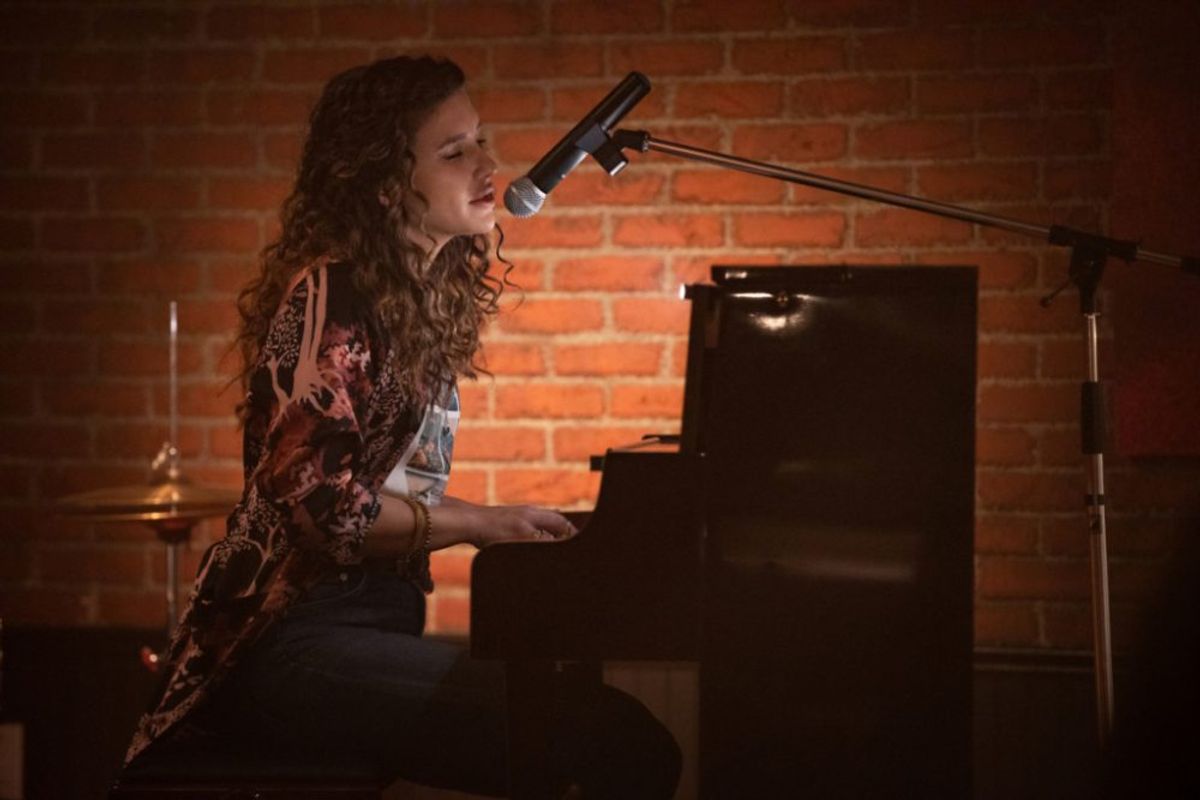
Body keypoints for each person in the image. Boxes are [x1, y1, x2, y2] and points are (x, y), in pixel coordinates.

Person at [121, 55, 681, 799]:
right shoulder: (333, 296)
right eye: (453, 152)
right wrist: (478, 522)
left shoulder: (409, 299)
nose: (487, 165)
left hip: (361, 628)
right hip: (291, 641)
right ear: (386, 183)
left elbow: (380, 490)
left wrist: (498, 520)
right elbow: (321, 508)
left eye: (480, 141)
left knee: (599, 734)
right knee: (615, 741)